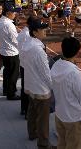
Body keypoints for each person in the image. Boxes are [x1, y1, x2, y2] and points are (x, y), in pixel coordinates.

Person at [21, 18, 52, 148]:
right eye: (42, 29)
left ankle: (32, 133)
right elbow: (46, 73)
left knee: (32, 111)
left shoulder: (26, 44)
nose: (45, 30)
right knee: (43, 118)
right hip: (41, 88)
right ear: (35, 32)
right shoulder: (38, 50)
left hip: (30, 84)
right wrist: (53, 86)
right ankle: (43, 143)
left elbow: (22, 64)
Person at [51, 37, 81, 149]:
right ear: (77, 53)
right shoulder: (74, 73)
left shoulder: (56, 65)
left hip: (60, 113)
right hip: (73, 118)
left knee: (62, 143)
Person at [0, 3, 20, 100]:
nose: (15, 14)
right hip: (12, 52)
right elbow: (15, 41)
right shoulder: (9, 25)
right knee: (13, 74)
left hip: (3, 50)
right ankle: (11, 93)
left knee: (6, 72)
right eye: (13, 12)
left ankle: (6, 90)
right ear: (8, 13)